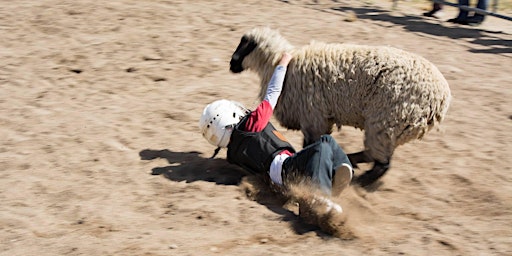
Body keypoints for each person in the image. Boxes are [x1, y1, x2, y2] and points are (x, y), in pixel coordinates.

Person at [199, 53, 353, 216]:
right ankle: (320, 196)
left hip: (283, 178)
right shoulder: (252, 124)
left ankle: (324, 187)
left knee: (323, 146)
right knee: (323, 145)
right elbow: (273, 91)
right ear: (230, 115)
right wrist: (283, 64)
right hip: (288, 169)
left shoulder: (233, 153)